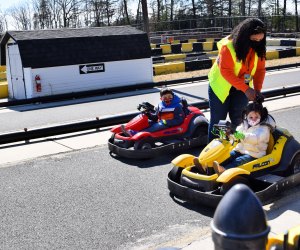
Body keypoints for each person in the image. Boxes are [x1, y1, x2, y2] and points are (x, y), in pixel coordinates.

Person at [207, 18, 267, 142]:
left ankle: (236, 147)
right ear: (245, 36)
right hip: (220, 87)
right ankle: (212, 153)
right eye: (254, 40)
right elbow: (226, 72)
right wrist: (247, 89)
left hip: (242, 88)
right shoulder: (228, 47)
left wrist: (257, 90)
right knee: (218, 123)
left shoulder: (259, 49)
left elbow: (260, 70)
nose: (257, 43)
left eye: (260, 40)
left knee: (239, 122)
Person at [208, 102, 275, 174]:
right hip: (240, 150)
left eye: (256, 117)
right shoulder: (244, 125)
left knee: (239, 160)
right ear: (246, 116)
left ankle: (224, 170)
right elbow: (236, 134)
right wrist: (230, 133)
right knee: (228, 155)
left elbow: (255, 139)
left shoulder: (263, 129)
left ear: (261, 116)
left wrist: (241, 135)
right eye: (251, 117)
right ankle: (210, 166)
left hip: (254, 154)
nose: (253, 119)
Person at [121, 87, 185, 136]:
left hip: (170, 125)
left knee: (158, 126)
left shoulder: (177, 106)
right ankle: (130, 129)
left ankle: (137, 134)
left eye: (169, 97)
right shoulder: (160, 105)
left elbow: (179, 120)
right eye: (165, 97)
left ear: (173, 97)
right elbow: (156, 116)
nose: (167, 99)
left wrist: (166, 122)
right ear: (161, 99)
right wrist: (149, 115)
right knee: (147, 122)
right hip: (161, 121)